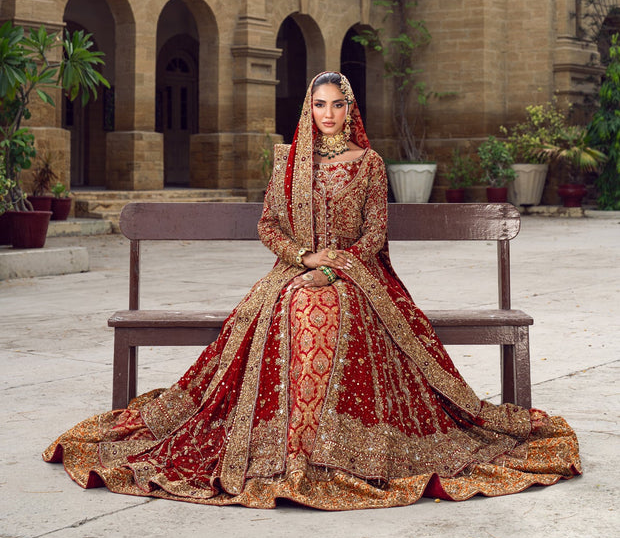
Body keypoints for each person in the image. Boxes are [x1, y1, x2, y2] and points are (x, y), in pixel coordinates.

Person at [43, 71, 581, 509]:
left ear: (350, 110)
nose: (327, 114)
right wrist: (303, 259)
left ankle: (327, 446)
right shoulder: (288, 162)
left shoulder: (370, 165)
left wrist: (332, 267)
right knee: (296, 303)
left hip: (356, 276)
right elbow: (268, 226)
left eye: (337, 105)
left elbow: (375, 234)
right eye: (319, 104)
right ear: (310, 109)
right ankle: (295, 444)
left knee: (323, 304)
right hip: (292, 273)